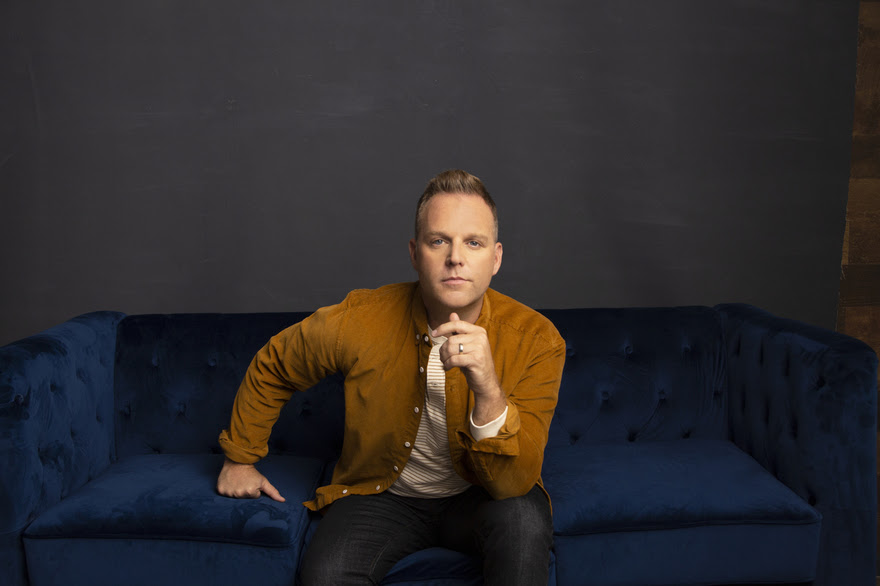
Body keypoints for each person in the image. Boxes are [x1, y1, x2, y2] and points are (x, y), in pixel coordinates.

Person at [216, 169, 566, 585]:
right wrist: (239, 458)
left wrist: (487, 389)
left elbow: (513, 483)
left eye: (473, 242)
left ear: (496, 258)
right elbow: (276, 363)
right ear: (415, 253)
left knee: (525, 524)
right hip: (385, 497)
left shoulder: (537, 339)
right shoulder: (362, 318)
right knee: (325, 576)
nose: (455, 257)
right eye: (439, 241)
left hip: (481, 495)